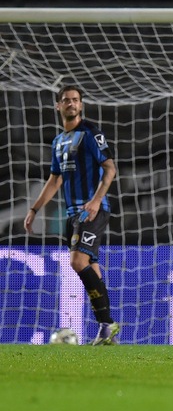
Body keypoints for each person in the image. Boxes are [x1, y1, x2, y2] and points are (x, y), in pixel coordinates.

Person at [24, 85, 120, 346]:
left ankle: (108, 325)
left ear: (81, 105)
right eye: (66, 100)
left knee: (77, 262)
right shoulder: (58, 142)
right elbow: (55, 179)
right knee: (92, 269)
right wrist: (34, 209)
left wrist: (96, 200)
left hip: (91, 210)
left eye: (76, 100)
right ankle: (106, 329)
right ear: (58, 106)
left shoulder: (90, 133)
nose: (71, 104)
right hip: (72, 215)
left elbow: (110, 168)